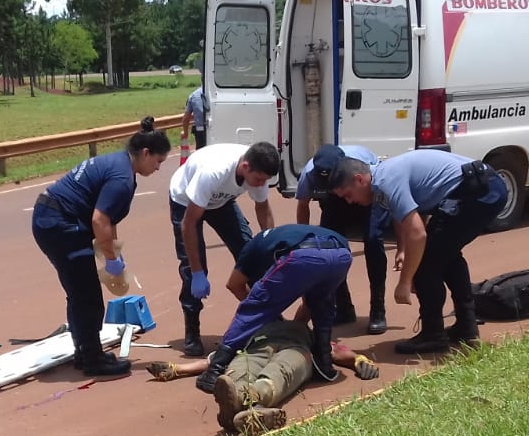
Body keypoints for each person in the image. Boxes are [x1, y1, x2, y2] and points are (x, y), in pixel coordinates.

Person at [329, 149, 507, 354]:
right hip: (480, 187)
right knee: (445, 255)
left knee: (427, 263)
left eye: (348, 195)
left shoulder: (386, 181)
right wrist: (404, 251)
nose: (350, 202)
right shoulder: (383, 177)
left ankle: (433, 335)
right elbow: (414, 217)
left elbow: (418, 235)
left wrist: (405, 281)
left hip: (481, 192)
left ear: (359, 179)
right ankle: (466, 326)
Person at [32, 117, 172, 376]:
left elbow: (109, 219)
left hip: (52, 217)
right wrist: (111, 260)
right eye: (158, 161)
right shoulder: (122, 178)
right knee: (87, 294)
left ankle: (84, 351)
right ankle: (92, 359)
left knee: (79, 290)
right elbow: (99, 220)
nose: (158, 168)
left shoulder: (120, 164)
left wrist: (114, 254)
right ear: (145, 153)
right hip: (59, 223)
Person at [146, 318, 380, 436]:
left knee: (279, 372)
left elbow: (335, 351)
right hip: (257, 346)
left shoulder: (305, 330)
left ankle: (247, 404)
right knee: (236, 372)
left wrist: (359, 360)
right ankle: (246, 410)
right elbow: (216, 358)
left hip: (297, 349)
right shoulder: (256, 327)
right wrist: (177, 369)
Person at [194, 224, 353, 393]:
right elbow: (309, 305)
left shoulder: (251, 250)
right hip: (341, 255)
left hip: (303, 255)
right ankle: (324, 363)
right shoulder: (282, 239)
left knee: (253, 308)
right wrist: (286, 326)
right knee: (322, 304)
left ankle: (214, 371)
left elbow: (234, 285)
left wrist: (268, 317)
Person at [169, 141, 281, 357]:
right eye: (258, 180)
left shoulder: (258, 174)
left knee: (251, 253)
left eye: (264, 181)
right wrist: (197, 272)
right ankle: (192, 330)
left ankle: (266, 316)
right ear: (246, 167)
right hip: (186, 201)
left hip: (221, 202)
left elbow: (263, 208)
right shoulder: (212, 172)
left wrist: (269, 248)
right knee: (193, 265)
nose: (260, 185)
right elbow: (188, 224)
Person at [294, 143, 391, 334]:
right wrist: (303, 237)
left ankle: (378, 310)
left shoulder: (361, 163)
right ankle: (344, 308)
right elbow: (303, 204)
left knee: (373, 241)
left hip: (366, 197)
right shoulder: (309, 173)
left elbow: (380, 187)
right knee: (330, 249)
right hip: (334, 205)